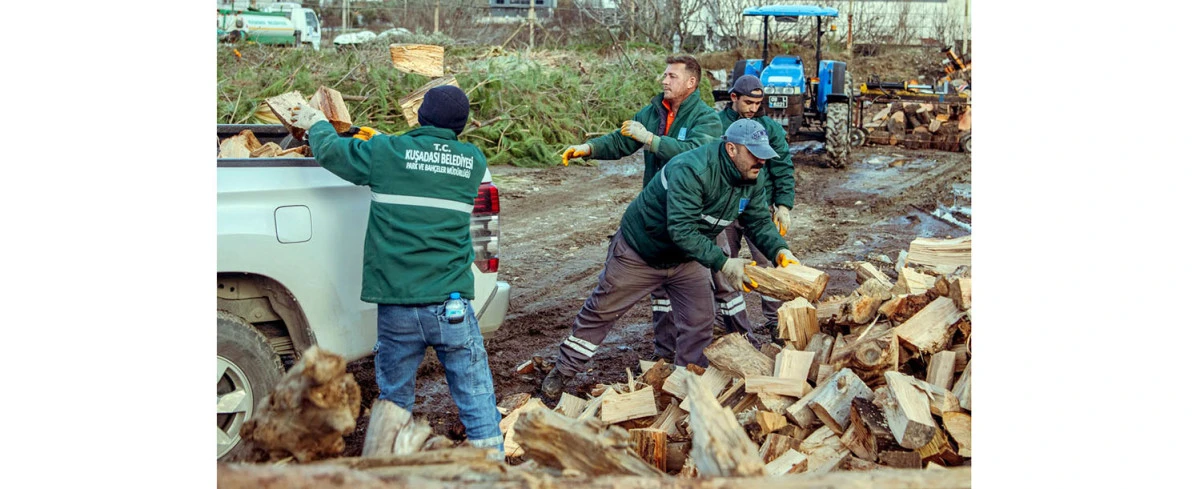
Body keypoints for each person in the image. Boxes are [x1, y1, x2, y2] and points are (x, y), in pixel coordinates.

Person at [288, 86, 504, 458]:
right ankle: (496, 468)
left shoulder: (386, 153)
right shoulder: (472, 161)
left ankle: (387, 468)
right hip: (451, 308)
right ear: (462, 127)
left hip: (398, 307)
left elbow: (331, 153)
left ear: (420, 116)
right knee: (476, 397)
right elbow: (423, 159)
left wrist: (317, 123)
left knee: (394, 402)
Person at [541, 119, 801, 400]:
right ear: (731, 149)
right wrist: (724, 263)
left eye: (764, 155)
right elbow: (681, 229)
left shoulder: (753, 176)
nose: (762, 161)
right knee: (601, 313)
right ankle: (562, 372)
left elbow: (759, 221)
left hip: (686, 259)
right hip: (641, 252)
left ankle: (683, 387)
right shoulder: (693, 169)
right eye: (755, 154)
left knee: (700, 321)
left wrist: (779, 251)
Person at [560, 54, 723, 363]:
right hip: (653, 218)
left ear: (692, 82)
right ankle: (662, 355)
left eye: (672, 76)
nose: (664, 80)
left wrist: (651, 140)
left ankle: (691, 373)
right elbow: (622, 141)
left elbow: (696, 154)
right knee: (653, 300)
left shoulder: (706, 119)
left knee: (701, 310)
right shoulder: (654, 111)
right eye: (664, 75)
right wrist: (589, 149)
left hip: (689, 219)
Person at [712, 75, 796, 340]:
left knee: (770, 262)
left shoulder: (768, 127)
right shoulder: (716, 125)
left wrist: (783, 205)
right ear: (733, 98)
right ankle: (724, 322)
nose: (753, 108)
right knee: (725, 265)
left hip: (759, 205)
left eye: (758, 103)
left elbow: (782, 166)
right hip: (725, 209)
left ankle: (775, 321)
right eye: (748, 102)